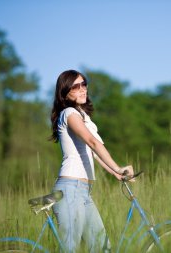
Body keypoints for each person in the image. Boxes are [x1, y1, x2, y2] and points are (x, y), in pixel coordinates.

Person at [49, 69, 134, 252]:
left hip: (83, 192)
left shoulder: (83, 116)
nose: (83, 89)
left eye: (84, 84)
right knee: (70, 249)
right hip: (69, 190)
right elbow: (92, 142)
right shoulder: (69, 113)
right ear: (65, 92)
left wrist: (116, 174)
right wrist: (118, 167)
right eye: (76, 86)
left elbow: (92, 152)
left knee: (102, 248)